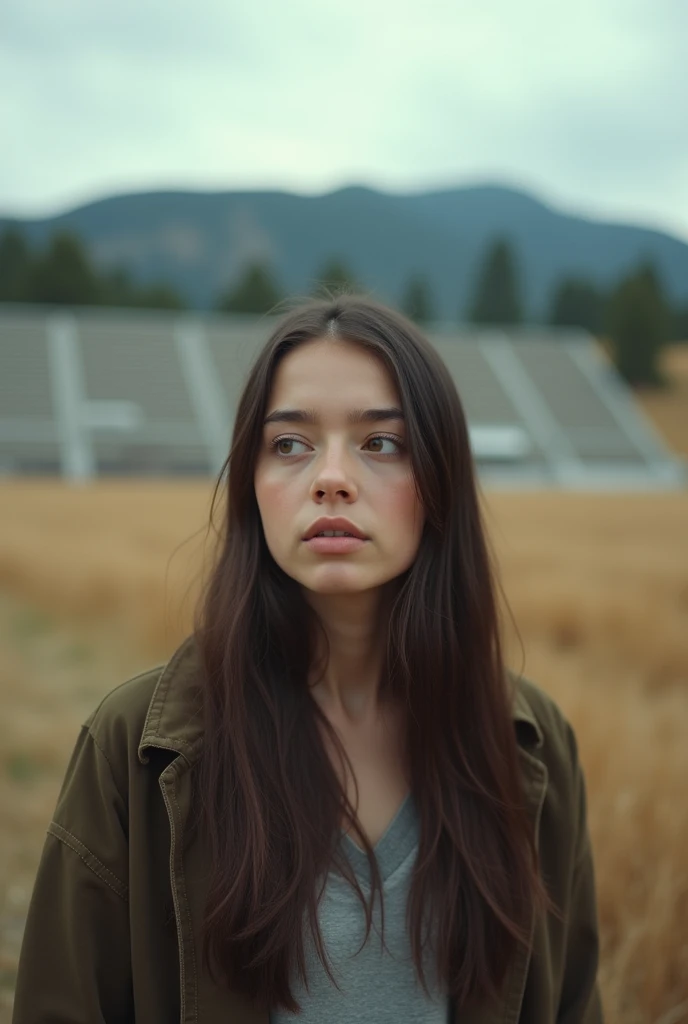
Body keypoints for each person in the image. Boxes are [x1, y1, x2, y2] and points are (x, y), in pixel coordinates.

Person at [12, 294, 604, 1023]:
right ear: (251, 486)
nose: (331, 478)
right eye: (289, 444)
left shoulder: (529, 742)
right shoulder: (135, 746)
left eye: (381, 444)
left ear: (440, 482)